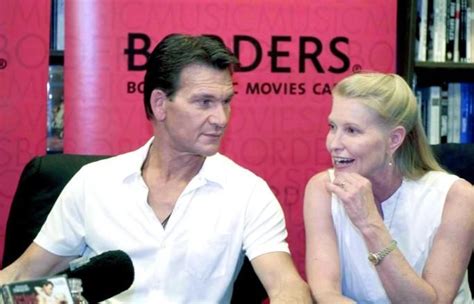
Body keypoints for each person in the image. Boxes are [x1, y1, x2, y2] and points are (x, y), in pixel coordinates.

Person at [0, 34, 311, 303]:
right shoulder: (94, 183)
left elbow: (285, 283)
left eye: (226, 101)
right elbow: (25, 273)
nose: (221, 118)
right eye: (204, 102)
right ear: (160, 104)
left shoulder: (248, 192)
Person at [304, 72, 473, 303]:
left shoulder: (457, 198)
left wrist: (369, 223)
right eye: (333, 126)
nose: (333, 144)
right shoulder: (322, 189)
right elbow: (326, 294)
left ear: (394, 139)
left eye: (352, 130)